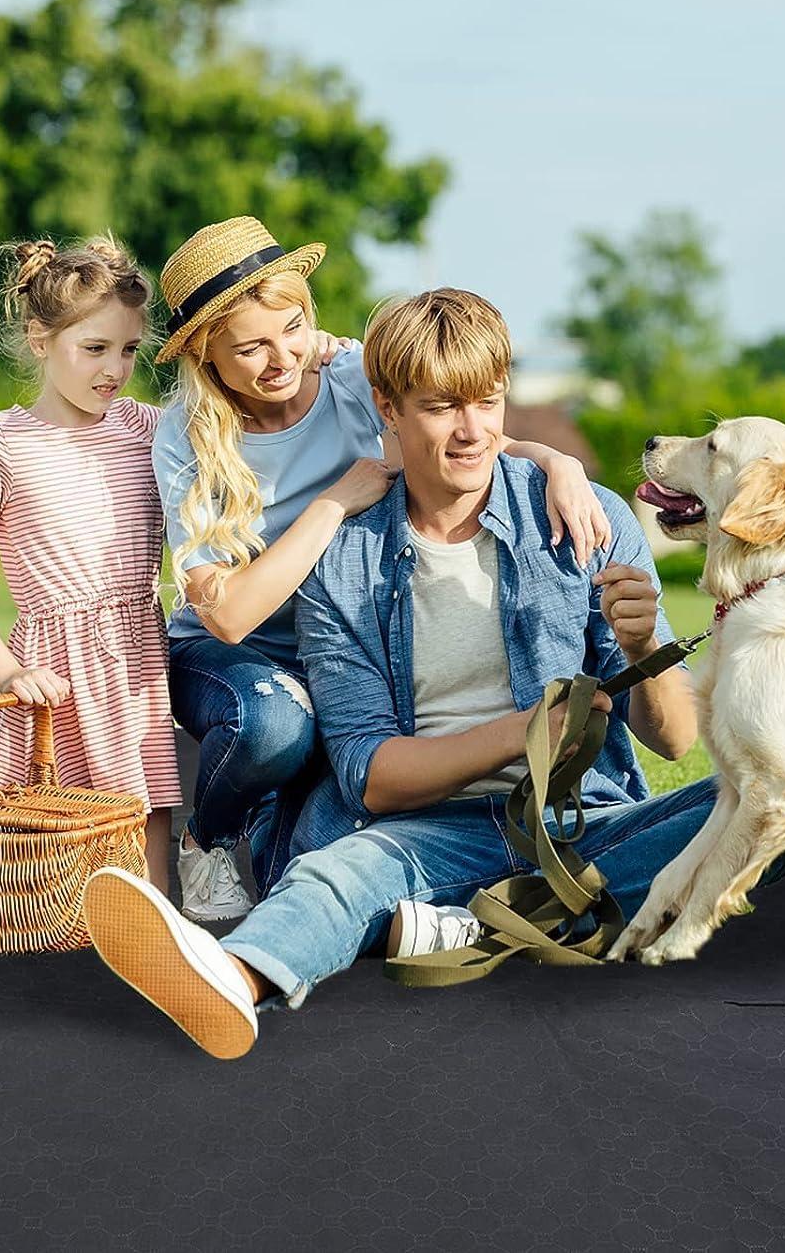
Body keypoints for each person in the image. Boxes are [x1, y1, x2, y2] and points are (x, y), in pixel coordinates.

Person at [83, 288, 729, 1059]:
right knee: (335, 876)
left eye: (488, 403)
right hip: (419, 828)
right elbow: (371, 778)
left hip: (577, 821)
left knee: (759, 799)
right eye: (441, 409)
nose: (472, 432)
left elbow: (675, 736)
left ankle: (469, 921)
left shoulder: (585, 518)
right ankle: (229, 976)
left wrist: (636, 655)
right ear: (385, 407)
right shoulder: (342, 562)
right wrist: (524, 732)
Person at [152, 218, 610, 922]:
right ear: (206, 354)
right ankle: (207, 835)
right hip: (239, 658)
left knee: (297, 874)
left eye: (294, 328)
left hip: (349, 644)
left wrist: (557, 462)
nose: (282, 358)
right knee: (275, 725)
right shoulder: (187, 435)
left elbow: (461, 428)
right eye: (251, 347)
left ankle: (291, 830)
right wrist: (337, 500)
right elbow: (230, 616)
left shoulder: (348, 375)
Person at [0, 235, 183, 892]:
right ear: (40, 340)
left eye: (128, 350)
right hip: (53, 669)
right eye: (93, 349)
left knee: (145, 809)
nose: (115, 369)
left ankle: (159, 934)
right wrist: (8, 670)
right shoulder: (2, 440)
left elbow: (234, 423)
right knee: (51, 832)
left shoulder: (148, 429)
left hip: (135, 656)